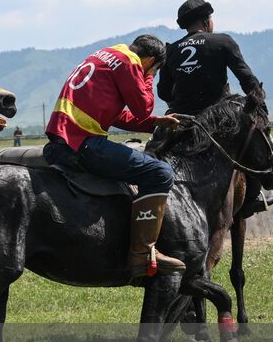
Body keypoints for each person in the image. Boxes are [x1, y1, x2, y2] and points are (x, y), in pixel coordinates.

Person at [42, 35, 185, 279]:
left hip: (62, 141)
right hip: (85, 144)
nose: (151, 74)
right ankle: (142, 253)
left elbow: (114, 116)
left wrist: (155, 124)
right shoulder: (130, 63)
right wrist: (150, 76)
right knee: (160, 172)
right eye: (155, 68)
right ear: (150, 59)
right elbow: (143, 107)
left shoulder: (106, 55)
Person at [158, 0, 263, 114]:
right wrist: (262, 109)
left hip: (183, 118)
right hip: (220, 115)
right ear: (206, 20)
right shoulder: (223, 41)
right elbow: (247, 79)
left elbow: (163, 92)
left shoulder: (170, 50)